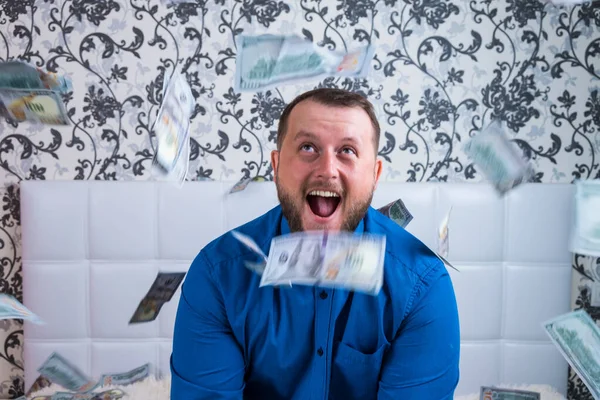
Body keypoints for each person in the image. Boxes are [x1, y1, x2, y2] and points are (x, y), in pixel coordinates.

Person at [170, 88, 460, 399]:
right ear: (277, 166)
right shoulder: (217, 274)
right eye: (308, 147)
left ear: (375, 174)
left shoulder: (422, 284)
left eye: (347, 151)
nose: (327, 170)